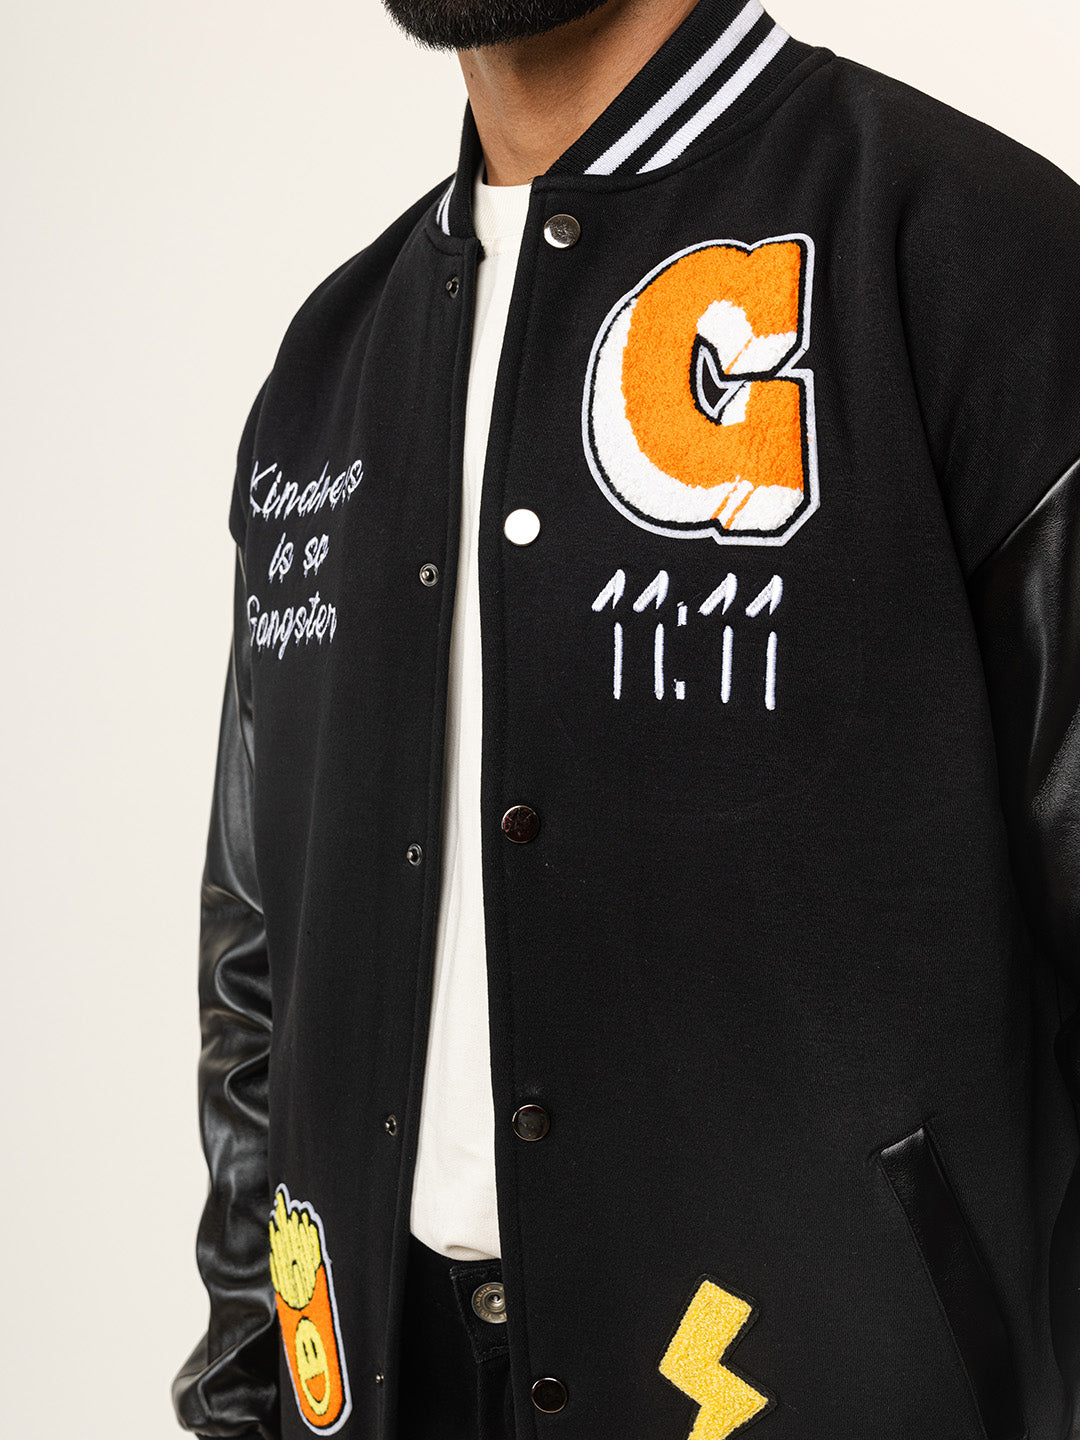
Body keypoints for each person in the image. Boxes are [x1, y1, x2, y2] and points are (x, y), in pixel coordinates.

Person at [171, 0, 1080, 1435]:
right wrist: (243, 1398)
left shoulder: (976, 249)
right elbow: (259, 957)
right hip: (380, 1383)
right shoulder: (333, 361)